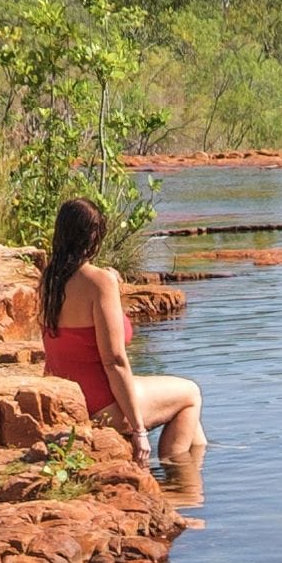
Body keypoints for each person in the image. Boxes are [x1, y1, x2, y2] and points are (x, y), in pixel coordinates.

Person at [38, 196, 206, 468]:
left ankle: (198, 463)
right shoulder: (99, 283)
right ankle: (179, 484)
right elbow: (114, 360)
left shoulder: (48, 280)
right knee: (190, 394)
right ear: (93, 238)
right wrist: (139, 430)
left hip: (69, 399)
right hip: (102, 403)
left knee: (187, 415)